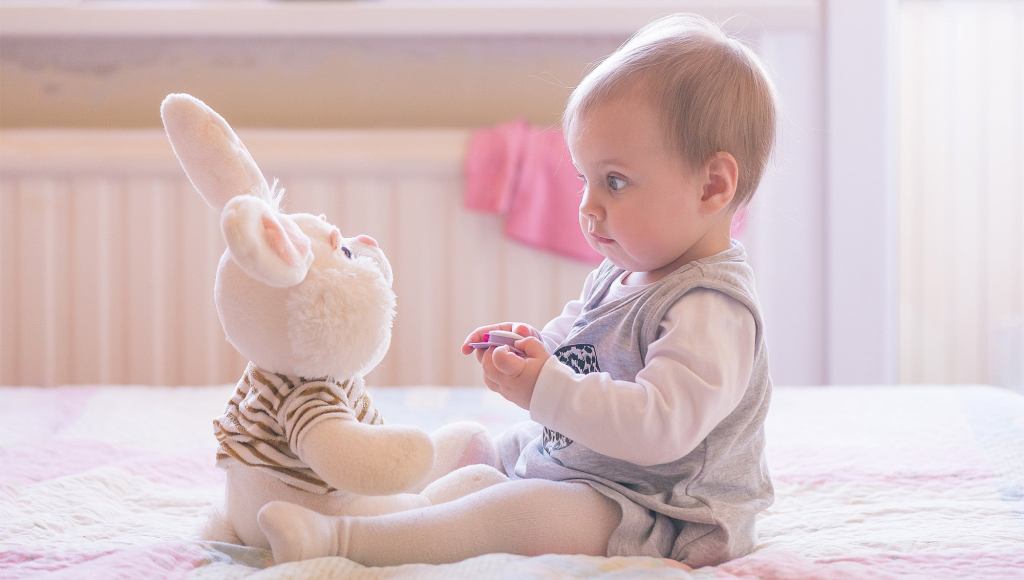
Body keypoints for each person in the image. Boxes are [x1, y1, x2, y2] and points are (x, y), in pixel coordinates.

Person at [257, 12, 777, 568]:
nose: (588, 205)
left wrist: (545, 389)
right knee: (474, 454)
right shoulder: (628, 267)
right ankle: (374, 507)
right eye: (584, 178)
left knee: (518, 509)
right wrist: (536, 349)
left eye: (615, 181)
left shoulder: (711, 307)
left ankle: (345, 544)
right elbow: (582, 333)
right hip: (587, 464)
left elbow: (660, 427)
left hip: (660, 511)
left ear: (712, 185)